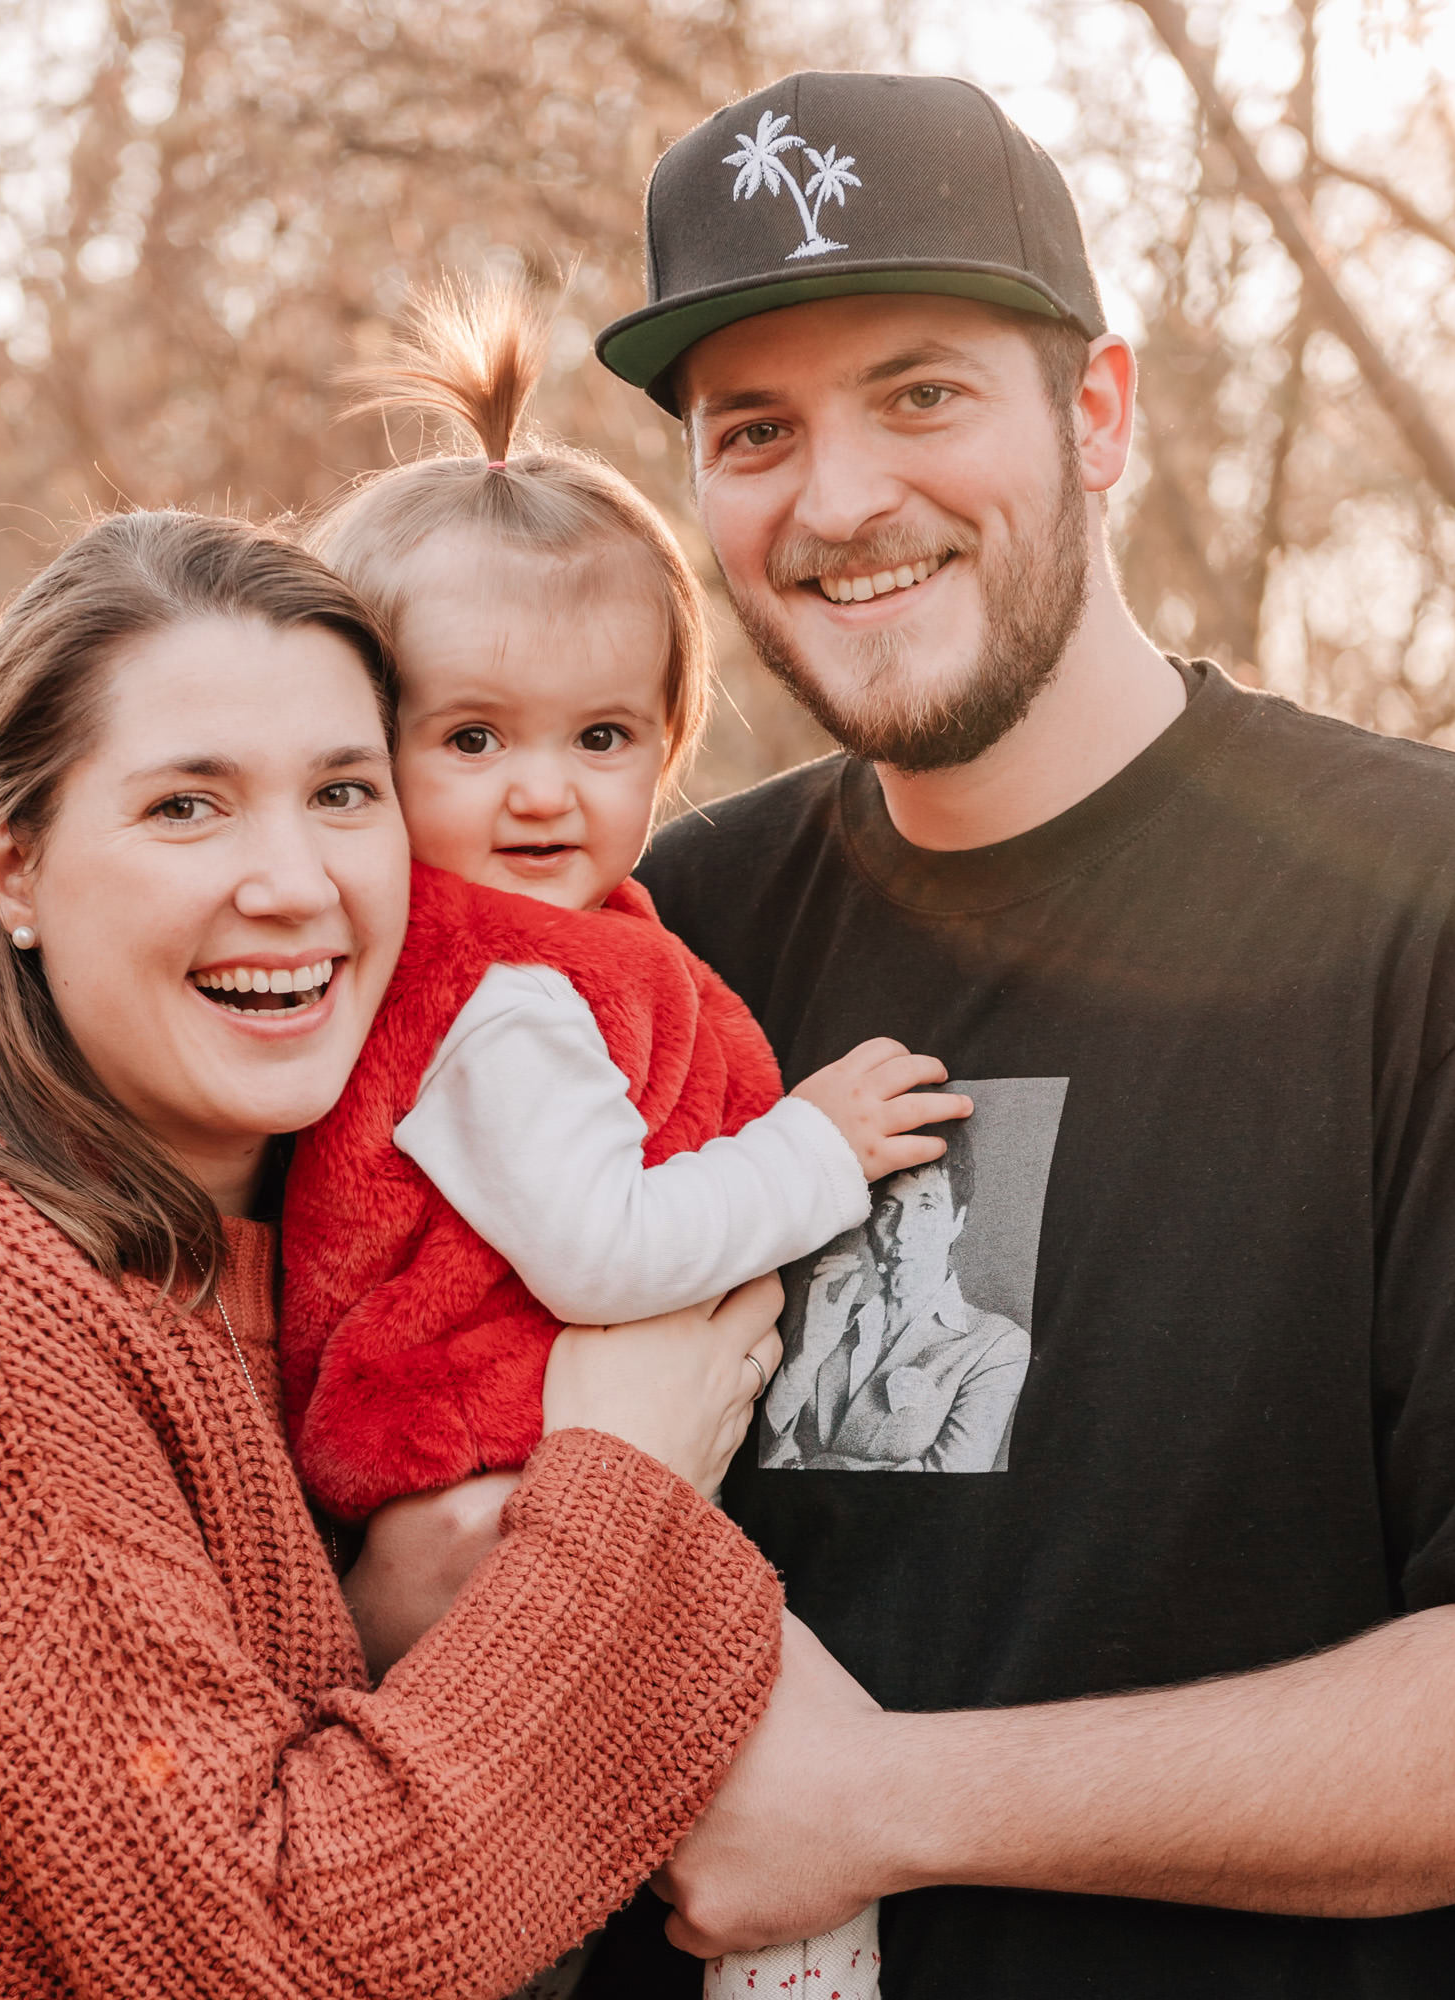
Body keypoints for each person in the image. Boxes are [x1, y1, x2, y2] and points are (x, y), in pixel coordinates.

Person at [579, 67, 1455, 2000]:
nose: (841, 498)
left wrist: (892, 1802)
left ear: (1097, 413)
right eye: (755, 429)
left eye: (923, 393)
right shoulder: (657, 945)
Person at [0, 509, 795, 2000]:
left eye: (343, 790)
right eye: (187, 808)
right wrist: (627, 1482)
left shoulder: (305, 1256)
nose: (292, 882)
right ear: (19, 869)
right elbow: (266, 1954)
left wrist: (400, 1615)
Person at [278, 277, 968, 2000]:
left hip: (536, 1488)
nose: (541, 793)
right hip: (510, 1498)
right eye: (472, 740)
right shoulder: (495, 993)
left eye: (600, 740)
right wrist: (815, 1150)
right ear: (367, 754)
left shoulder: (561, 952)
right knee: (806, 1805)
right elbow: (601, 1243)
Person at [764, 1122, 1028, 1474]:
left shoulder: (997, 1346)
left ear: (957, 1221)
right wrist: (805, 1357)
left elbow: (950, 1479)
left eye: (927, 1207)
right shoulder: (827, 1322)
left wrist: (816, 1464)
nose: (901, 1232)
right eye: (888, 1208)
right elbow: (765, 1458)